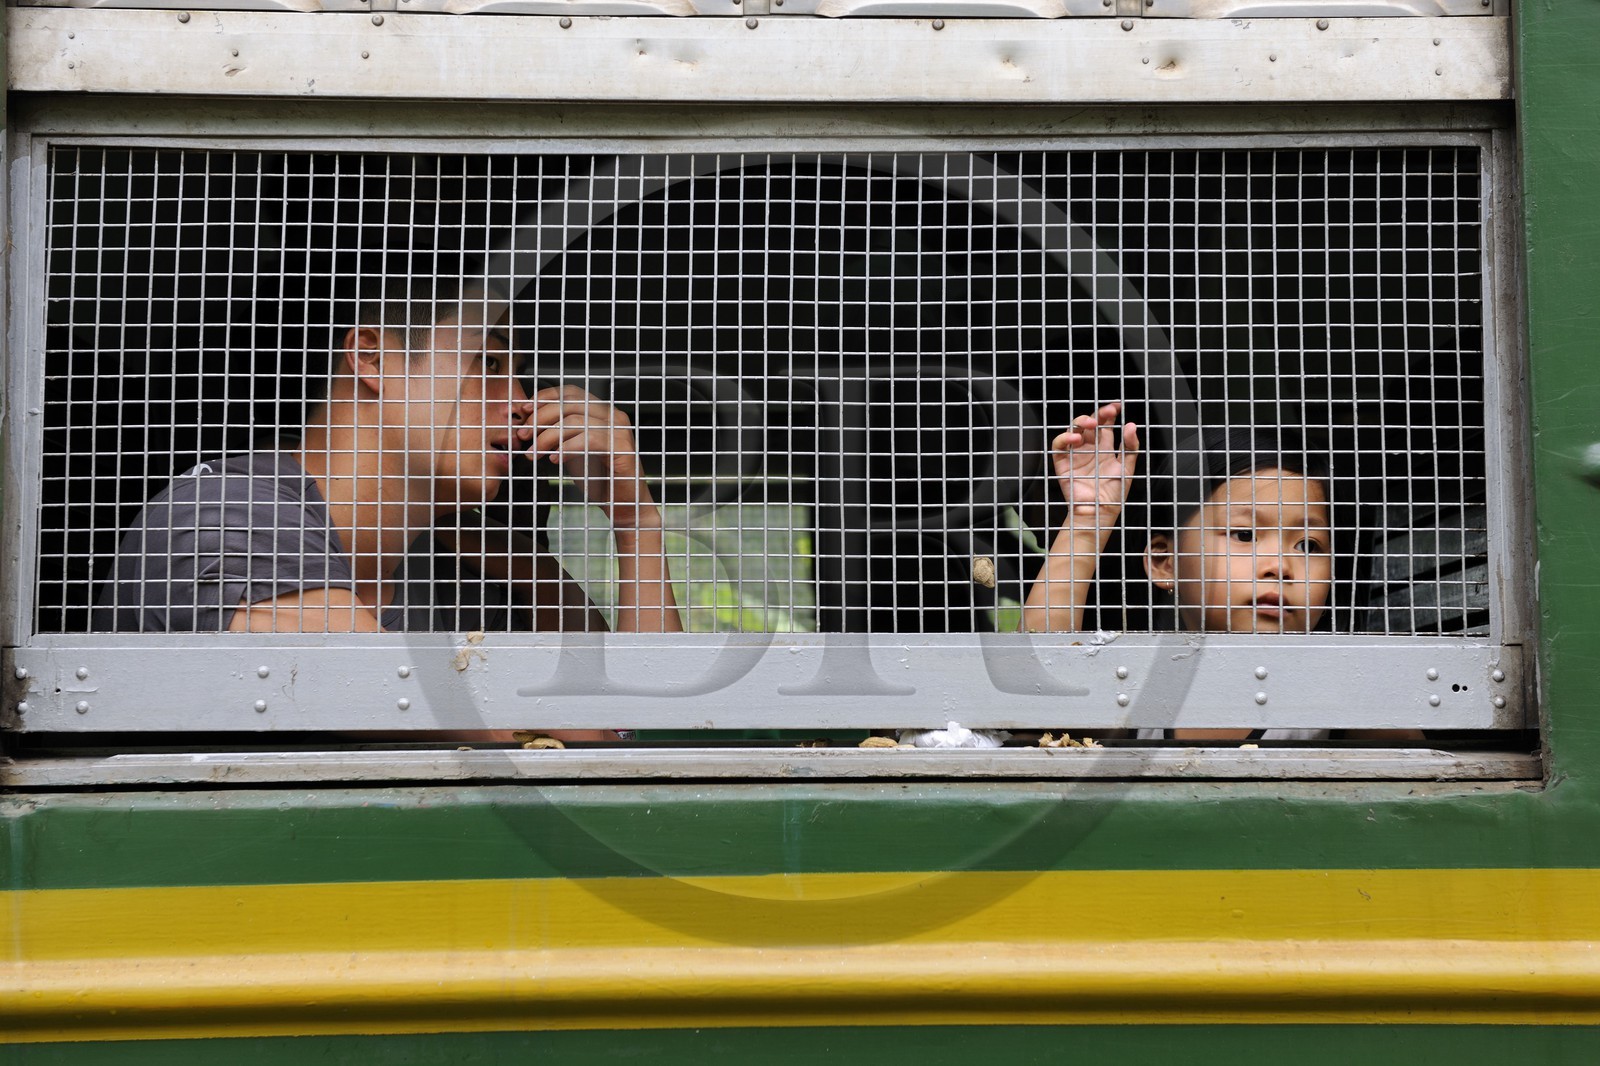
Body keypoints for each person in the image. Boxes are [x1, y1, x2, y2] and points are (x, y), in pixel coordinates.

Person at [94, 277, 681, 645]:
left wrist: (635, 523)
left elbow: (652, 735)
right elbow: (572, 735)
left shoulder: (480, 574)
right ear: (373, 358)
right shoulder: (232, 509)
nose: (524, 405)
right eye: (489, 365)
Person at [1021, 401, 1417, 742]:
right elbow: (1036, 694)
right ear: (1165, 563)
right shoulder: (1132, 690)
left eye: (1308, 545)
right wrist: (1088, 523)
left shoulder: (1347, 697)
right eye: (1245, 534)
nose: (1280, 566)